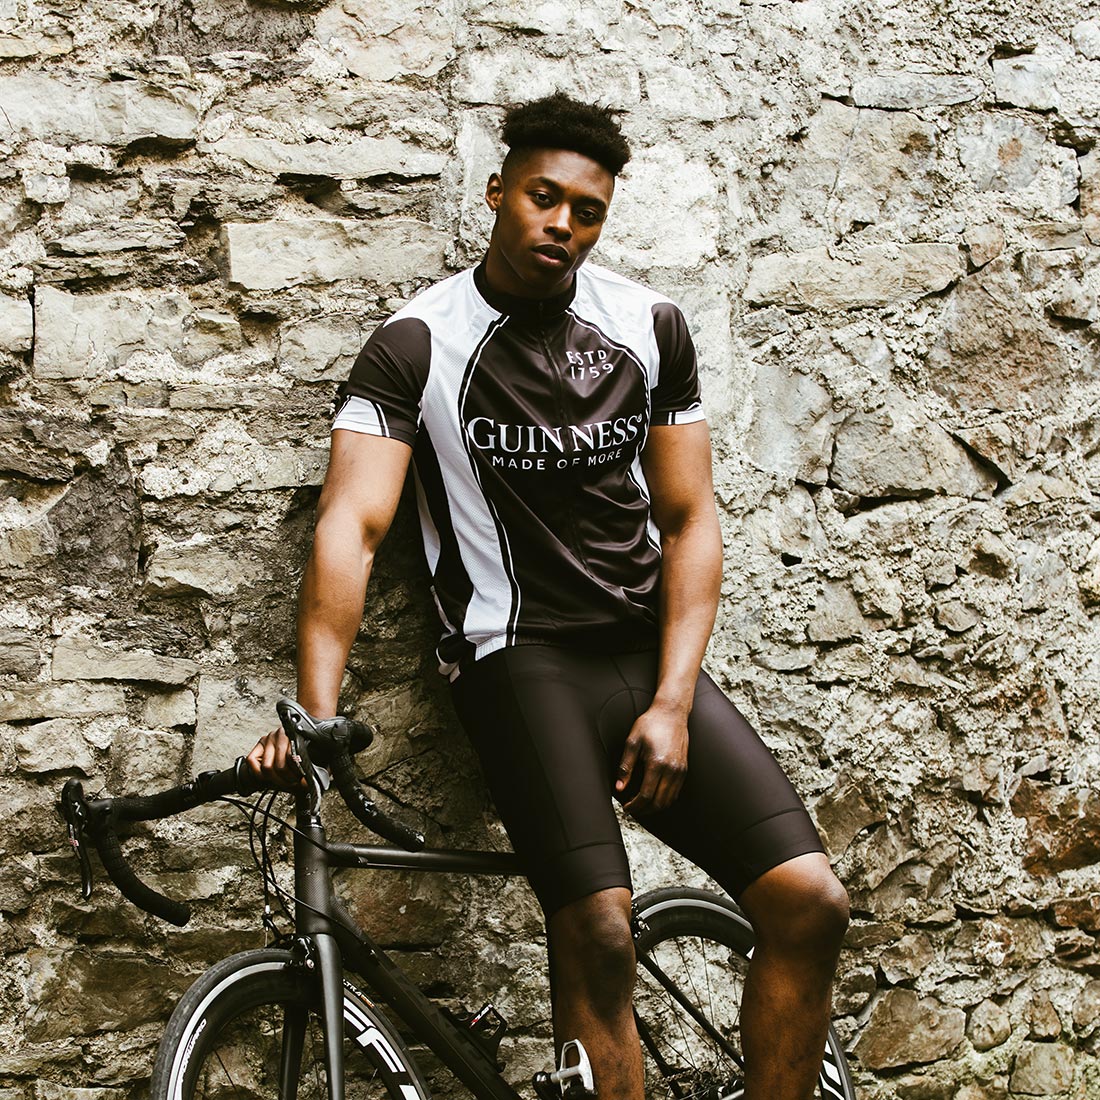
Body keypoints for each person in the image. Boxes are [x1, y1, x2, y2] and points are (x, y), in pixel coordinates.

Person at [248, 92, 849, 1100]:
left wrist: (672, 699)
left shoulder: (648, 326)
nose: (562, 222)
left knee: (810, 902)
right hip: (514, 658)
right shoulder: (417, 342)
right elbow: (351, 529)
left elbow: (688, 519)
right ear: (498, 193)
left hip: (643, 656)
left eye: (587, 209)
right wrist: (313, 714)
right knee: (599, 930)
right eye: (542, 197)